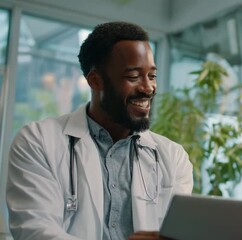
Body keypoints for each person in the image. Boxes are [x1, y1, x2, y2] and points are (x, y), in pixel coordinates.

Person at [6, 21, 193, 240]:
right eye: (133, 77)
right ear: (95, 80)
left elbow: (176, 234)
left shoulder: (173, 156)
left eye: (152, 76)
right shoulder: (37, 142)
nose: (148, 88)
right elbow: (34, 231)